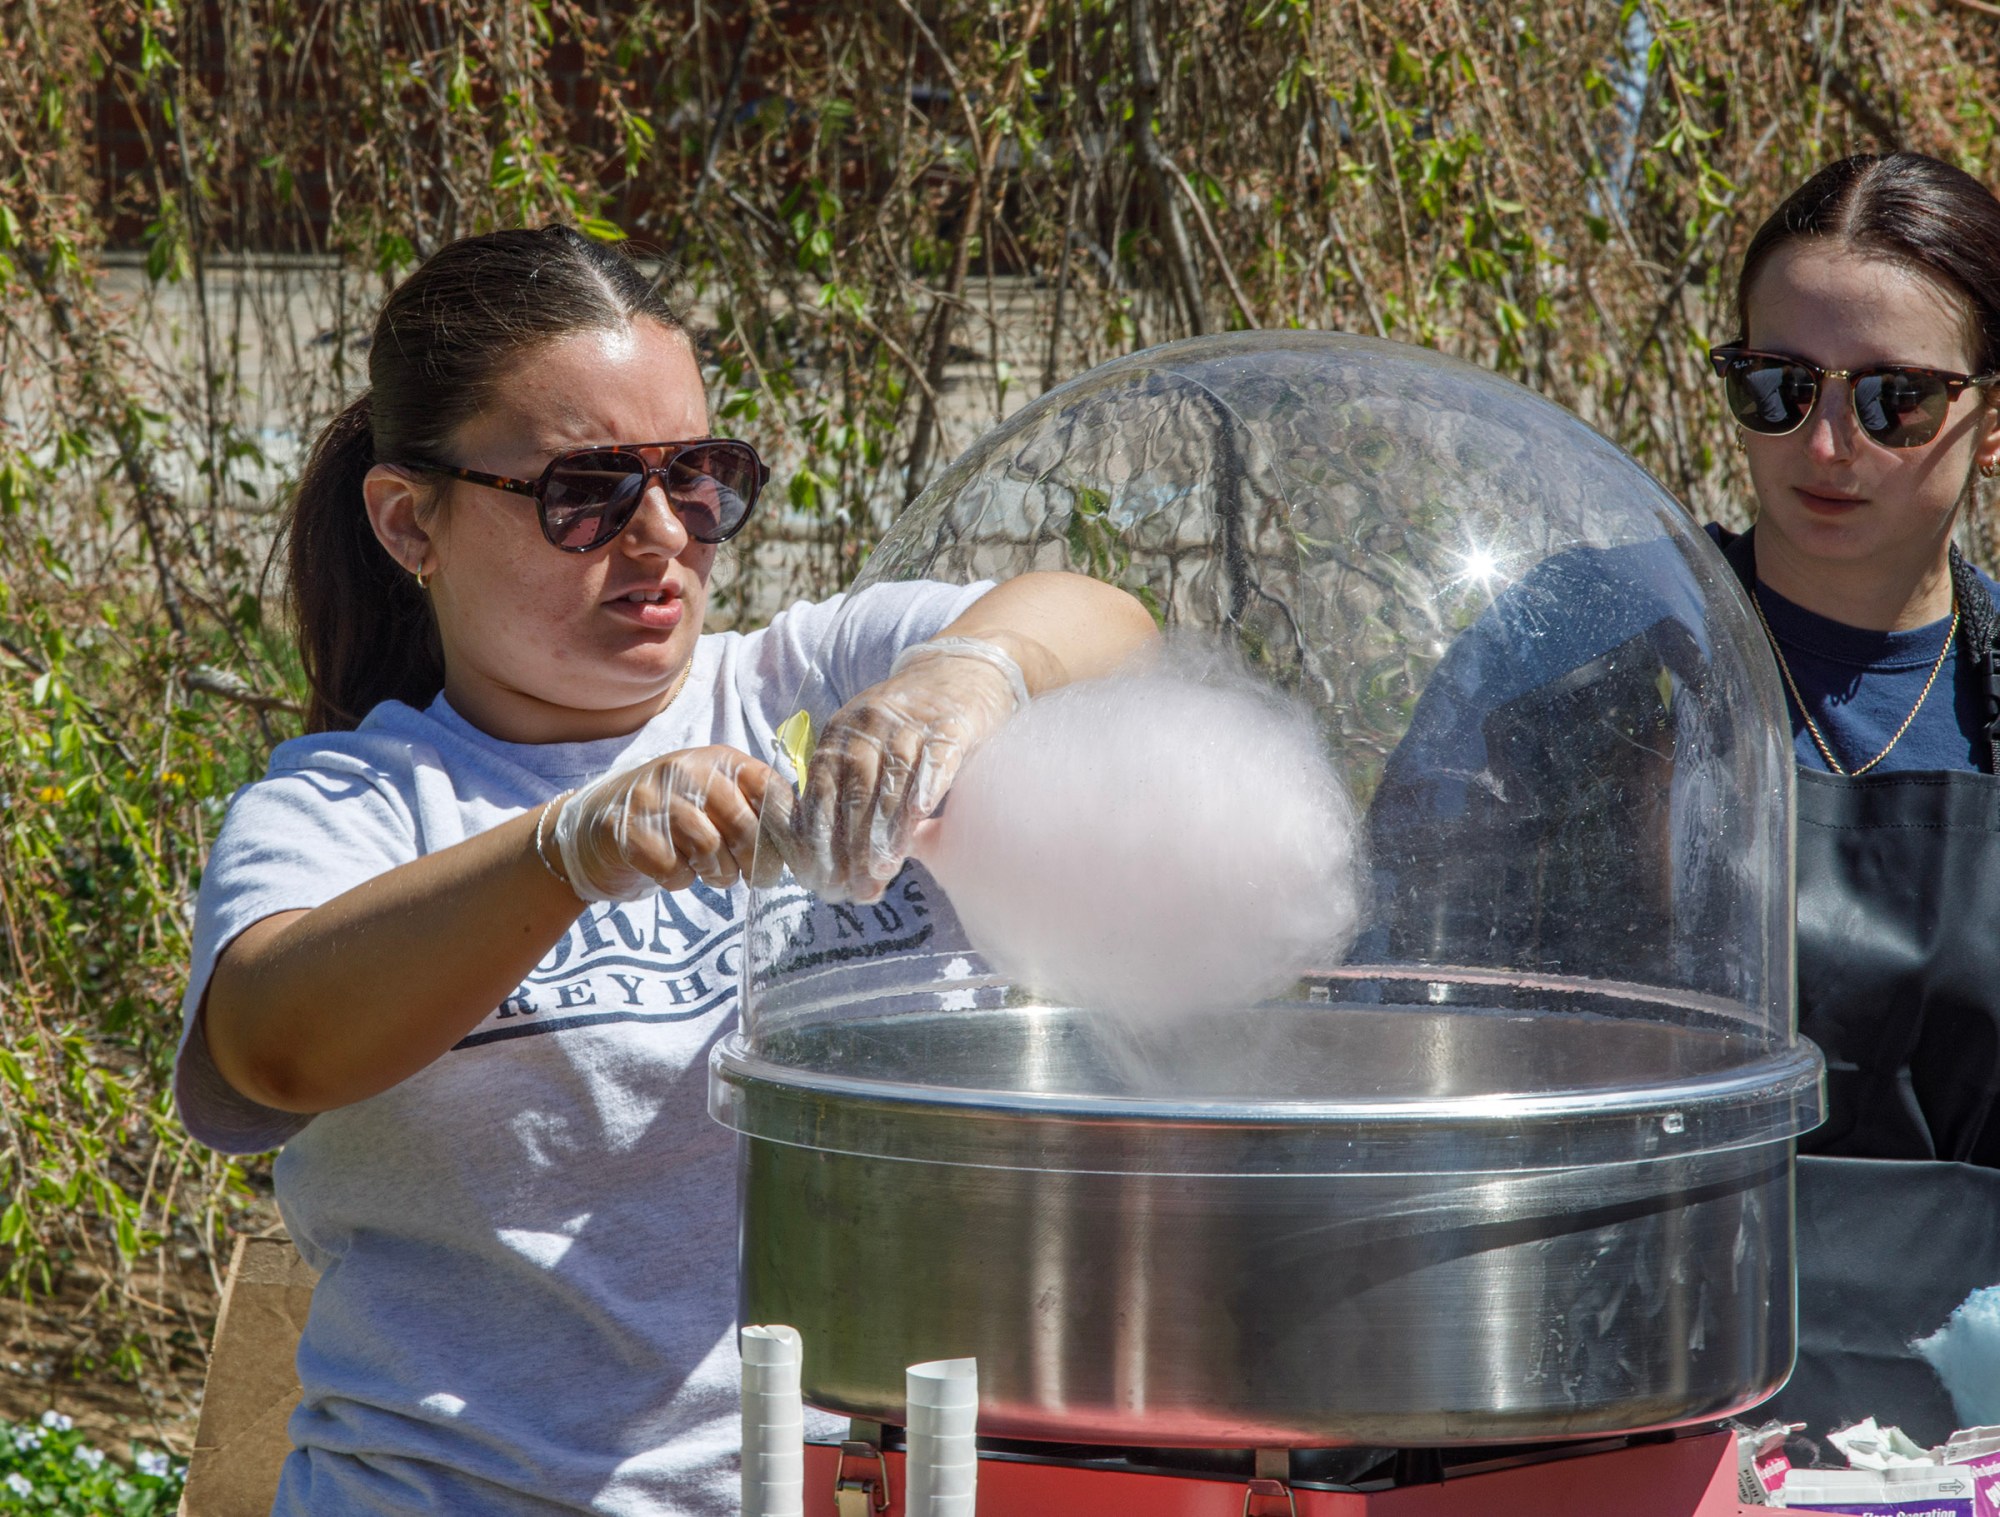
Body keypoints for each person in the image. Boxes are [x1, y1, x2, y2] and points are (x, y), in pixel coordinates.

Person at [173, 225, 1156, 1515]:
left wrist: (970, 676)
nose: (660, 537)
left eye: (699, 478)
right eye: (584, 492)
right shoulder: (355, 803)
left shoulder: (805, 678)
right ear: (412, 520)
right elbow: (270, 1047)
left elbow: (1114, 626)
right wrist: (561, 854)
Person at [1702, 152, 2000, 1442]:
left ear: (1993, 419)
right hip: (1666, 1387)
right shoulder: (1603, 661)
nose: (1826, 445)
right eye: (1780, 389)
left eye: (1894, 401)